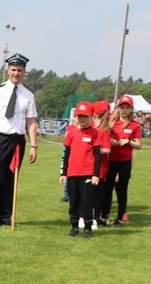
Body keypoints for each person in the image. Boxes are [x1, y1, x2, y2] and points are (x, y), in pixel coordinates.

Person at [0, 53, 39, 226]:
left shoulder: (28, 95)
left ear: (24, 72)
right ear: (8, 70)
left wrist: (33, 145)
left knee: (11, 178)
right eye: (13, 70)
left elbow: (31, 122)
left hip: (17, 140)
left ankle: (7, 215)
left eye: (19, 70)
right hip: (0, 138)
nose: (16, 73)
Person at [60, 101, 104, 238]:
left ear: (91, 117)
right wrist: (63, 173)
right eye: (80, 116)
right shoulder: (71, 133)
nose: (82, 119)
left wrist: (96, 174)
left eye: (85, 116)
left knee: (86, 201)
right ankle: (74, 227)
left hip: (88, 173)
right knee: (74, 202)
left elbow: (97, 156)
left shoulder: (95, 133)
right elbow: (66, 154)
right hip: (73, 173)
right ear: (76, 117)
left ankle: (88, 228)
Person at [101, 95, 142, 226]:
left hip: (125, 161)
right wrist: (110, 141)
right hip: (111, 159)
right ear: (118, 108)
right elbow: (103, 136)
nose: (124, 110)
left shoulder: (135, 125)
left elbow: (139, 145)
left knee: (121, 190)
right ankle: (104, 217)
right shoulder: (111, 123)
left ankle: (119, 218)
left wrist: (128, 141)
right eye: (122, 107)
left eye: (127, 107)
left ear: (131, 109)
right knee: (107, 189)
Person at [90, 101, 113, 229]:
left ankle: (96, 217)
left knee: (97, 194)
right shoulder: (91, 126)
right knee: (90, 193)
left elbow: (107, 149)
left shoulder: (103, 130)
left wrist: (92, 149)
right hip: (89, 165)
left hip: (100, 167)